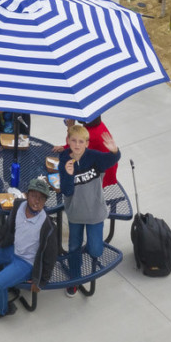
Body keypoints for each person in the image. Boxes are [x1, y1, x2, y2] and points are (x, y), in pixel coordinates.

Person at [0, 177, 58, 319]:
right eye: (34, 196)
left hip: (27, 262)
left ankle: (1, 309)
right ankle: (6, 276)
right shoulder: (18, 205)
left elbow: (50, 257)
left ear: (45, 202)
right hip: (15, 249)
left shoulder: (47, 226)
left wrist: (40, 282)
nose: (37, 201)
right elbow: (8, 228)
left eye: (41, 198)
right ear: (27, 195)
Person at [56, 121, 120, 293]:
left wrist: (115, 151)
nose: (77, 145)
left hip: (95, 213)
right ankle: (75, 279)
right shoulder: (64, 160)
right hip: (75, 214)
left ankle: (89, 248)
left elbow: (112, 159)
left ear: (87, 143)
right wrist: (68, 175)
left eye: (81, 142)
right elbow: (67, 191)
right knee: (73, 247)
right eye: (74, 141)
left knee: (96, 249)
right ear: (68, 141)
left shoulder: (94, 157)